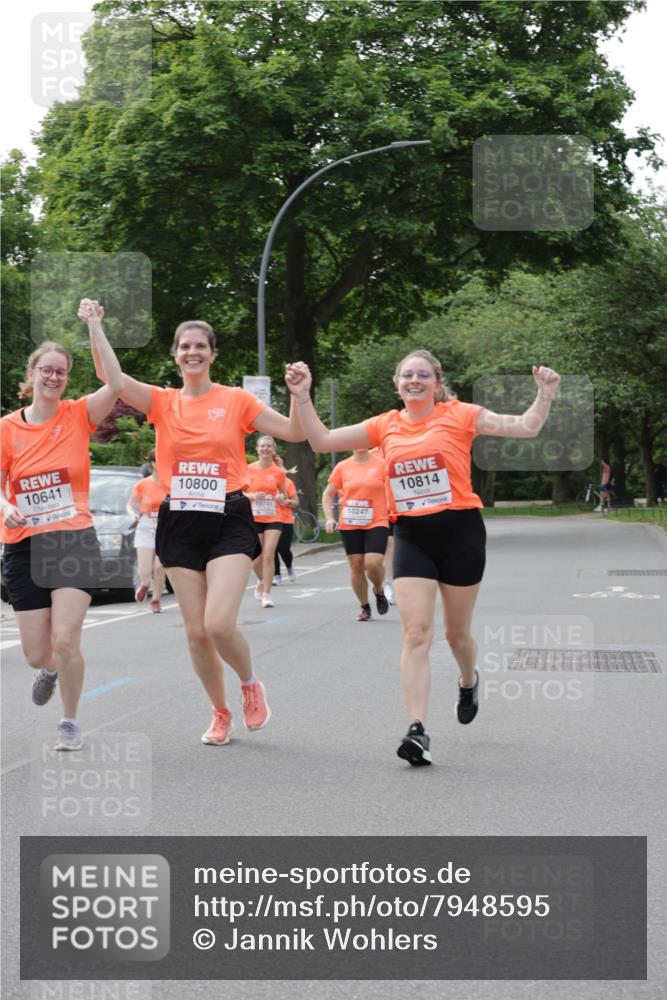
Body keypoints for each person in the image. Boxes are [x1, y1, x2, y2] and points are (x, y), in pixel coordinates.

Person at [285, 349, 560, 767]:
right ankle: (417, 729)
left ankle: (468, 681)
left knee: (456, 636)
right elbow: (322, 440)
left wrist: (544, 394)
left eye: (423, 375)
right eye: (407, 375)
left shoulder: (460, 414)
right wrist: (302, 396)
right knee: (415, 633)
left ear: (437, 382)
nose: (415, 380)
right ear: (397, 384)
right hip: (412, 534)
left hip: (461, 532)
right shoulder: (384, 425)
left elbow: (525, 426)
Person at [85, 306, 305, 746]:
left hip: (228, 515)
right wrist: (95, 325)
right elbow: (113, 377)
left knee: (219, 624)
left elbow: (295, 432)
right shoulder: (162, 401)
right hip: (179, 519)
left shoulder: (236, 400)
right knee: (196, 632)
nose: (192, 352)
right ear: (175, 355)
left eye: (200, 346)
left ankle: (248, 684)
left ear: (212, 354)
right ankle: (220, 712)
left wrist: (300, 394)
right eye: (185, 346)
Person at [0, 304, 123, 751]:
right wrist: (4, 508)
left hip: (72, 538)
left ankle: (69, 722)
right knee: (38, 652)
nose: (54, 378)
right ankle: (48, 670)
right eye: (47, 370)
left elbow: (115, 382)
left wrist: (95, 326)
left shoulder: (77, 415)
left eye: (62, 373)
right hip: (24, 544)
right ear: (31, 374)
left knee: (67, 639)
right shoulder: (6, 429)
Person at [322, 449, 390, 621]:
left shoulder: (382, 465)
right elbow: (328, 494)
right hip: (350, 522)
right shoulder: (342, 467)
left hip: (377, 520)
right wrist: (329, 518)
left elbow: (394, 491)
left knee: (373, 563)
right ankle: (365, 606)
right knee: (356, 565)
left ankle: (378, 589)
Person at [246, 435, 286, 608]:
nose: (265, 448)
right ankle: (262, 581)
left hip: (273, 516)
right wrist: (252, 496)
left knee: (269, 554)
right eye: (262, 446)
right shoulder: (248, 470)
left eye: (268, 446)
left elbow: (284, 494)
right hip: (253, 517)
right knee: (256, 559)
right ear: (257, 449)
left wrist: (280, 497)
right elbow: (239, 493)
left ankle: (267, 593)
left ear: (273, 449)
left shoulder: (278, 472)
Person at [126, 449, 168, 612]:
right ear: (151, 463)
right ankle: (144, 585)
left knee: (159, 567)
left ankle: (156, 600)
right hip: (146, 527)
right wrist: (133, 514)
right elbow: (130, 504)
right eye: (157, 461)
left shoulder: (171, 483)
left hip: (165, 528)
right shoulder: (143, 484)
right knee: (145, 570)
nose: (160, 464)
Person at [273, 457, 299, 585]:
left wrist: (287, 502)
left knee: (283, 548)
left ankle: (289, 567)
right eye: (274, 463)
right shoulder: (263, 480)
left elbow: (296, 502)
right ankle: (276, 575)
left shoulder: (288, 482)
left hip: (285, 520)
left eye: (279, 463)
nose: (276, 466)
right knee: (271, 548)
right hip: (269, 518)